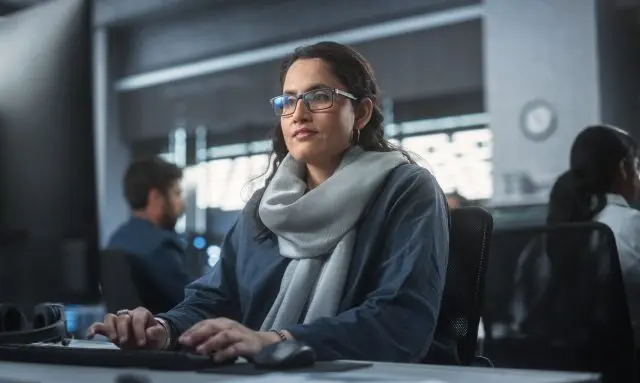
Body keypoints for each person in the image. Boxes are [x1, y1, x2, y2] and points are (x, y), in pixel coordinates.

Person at [89, 41, 451, 363]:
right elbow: (216, 298)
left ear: (361, 113)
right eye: (288, 100)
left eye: (319, 96)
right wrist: (163, 329)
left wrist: (276, 342)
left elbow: (400, 321)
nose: (299, 113)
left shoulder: (406, 190)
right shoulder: (266, 207)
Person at [546, 124, 640, 340]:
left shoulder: (558, 230)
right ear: (624, 168)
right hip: (628, 359)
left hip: (577, 359)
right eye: (637, 165)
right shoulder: (629, 223)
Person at [106, 156, 190, 313]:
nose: (182, 204)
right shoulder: (161, 246)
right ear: (156, 197)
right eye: (176, 193)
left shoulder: (115, 240)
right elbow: (195, 305)